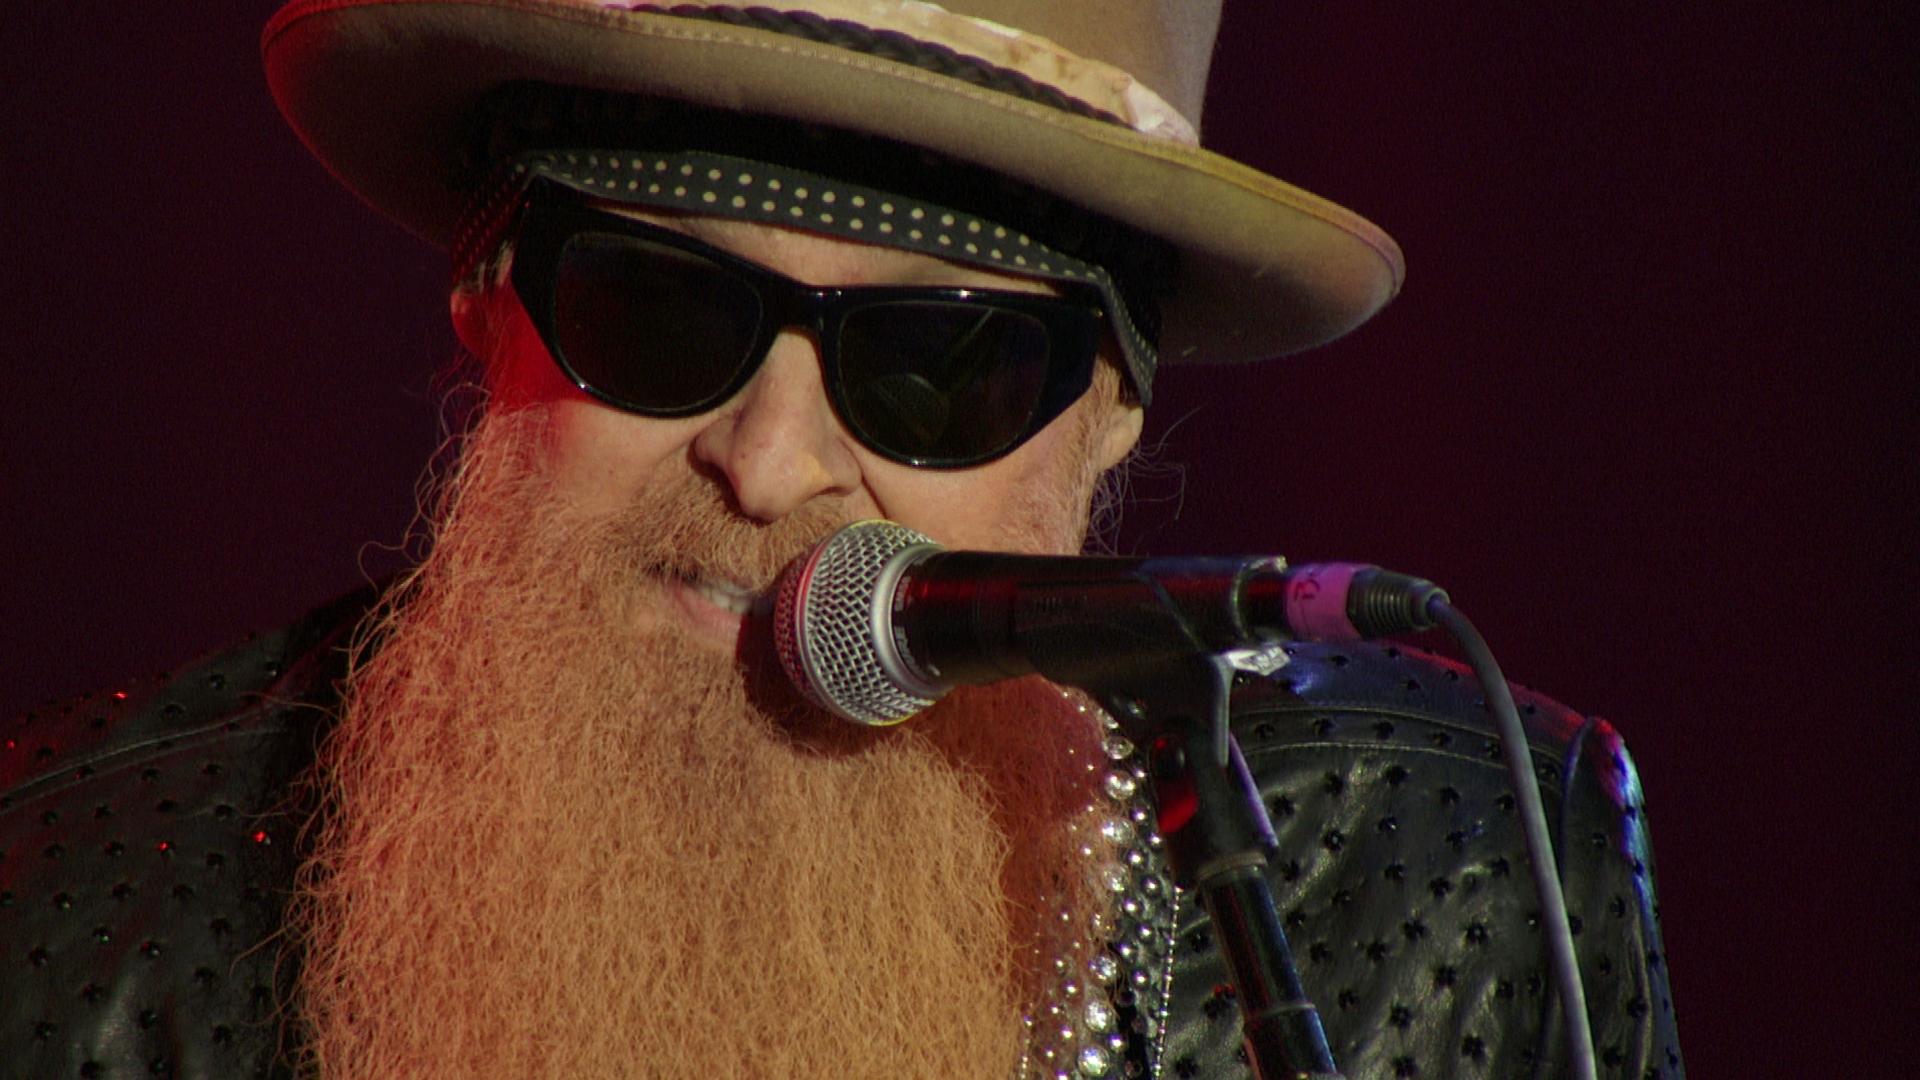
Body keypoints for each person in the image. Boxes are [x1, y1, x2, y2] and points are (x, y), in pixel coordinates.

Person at [0, 2, 1682, 1077]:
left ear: (1110, 422)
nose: (769, 459)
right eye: (657, 311)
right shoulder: (81, 909)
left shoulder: (1446, 863)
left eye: (934, 367)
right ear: (484, 302)